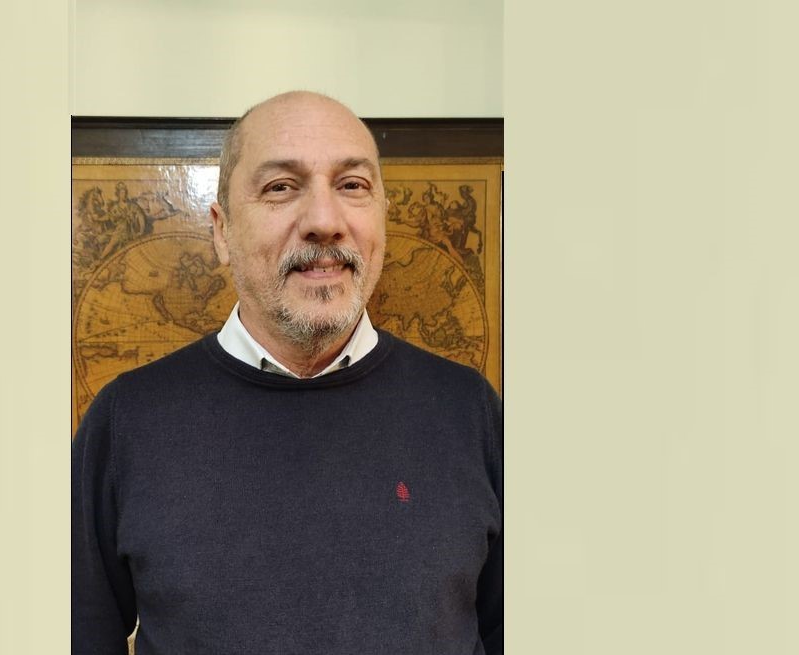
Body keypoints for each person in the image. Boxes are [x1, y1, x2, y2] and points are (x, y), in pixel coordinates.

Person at [72, 91, 502, 654]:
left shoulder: (470, 411)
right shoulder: (126, 420)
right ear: (222, 231)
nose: (324, 222)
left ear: (382, 217)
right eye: (281, 187)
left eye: (352, 185)